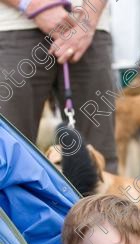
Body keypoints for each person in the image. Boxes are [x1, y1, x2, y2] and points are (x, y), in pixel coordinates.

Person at [0, 0, 117, 172]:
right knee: (8, 158)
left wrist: (87, 22)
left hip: (89, 30)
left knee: (100, 161)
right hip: (13, 26)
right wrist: (31, 5)